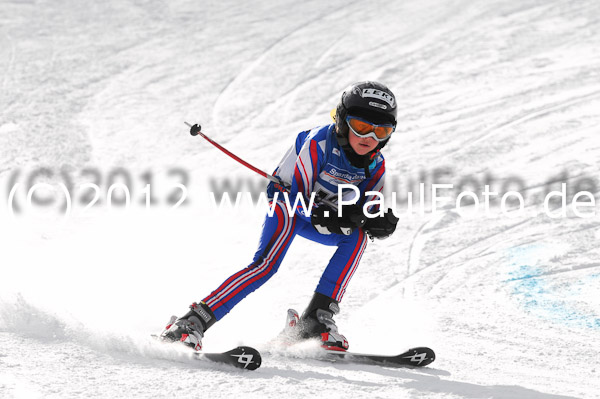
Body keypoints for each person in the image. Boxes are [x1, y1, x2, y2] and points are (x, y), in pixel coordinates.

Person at [161, 81, 400, 352]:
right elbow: (296, 198)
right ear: (344, 122)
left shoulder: (376, 165)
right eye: (361, 126)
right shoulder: (318, 143)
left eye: (381, 130)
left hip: (322, 215)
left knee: (356, 239)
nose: (369, 137)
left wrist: (378, 221)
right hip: (287, 207)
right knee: (266, 266)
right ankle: (191, 322)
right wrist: (328, 215)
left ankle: (314, 322)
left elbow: (369, 207)